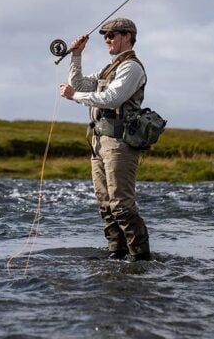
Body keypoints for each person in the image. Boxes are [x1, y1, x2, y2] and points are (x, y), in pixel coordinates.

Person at [59, 18, 151, 261]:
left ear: (128, 36)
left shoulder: (132, 68)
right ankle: (116, 254)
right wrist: (76, 55)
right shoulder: (108, 68)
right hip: (99, 142)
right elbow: (76, 83)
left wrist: (75, 96)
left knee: (121, 204)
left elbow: (112, 98)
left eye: (112, 35)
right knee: (105, 204)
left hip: (119, 143)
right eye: (105, 36)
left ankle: (141, 258)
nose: (107, 40)